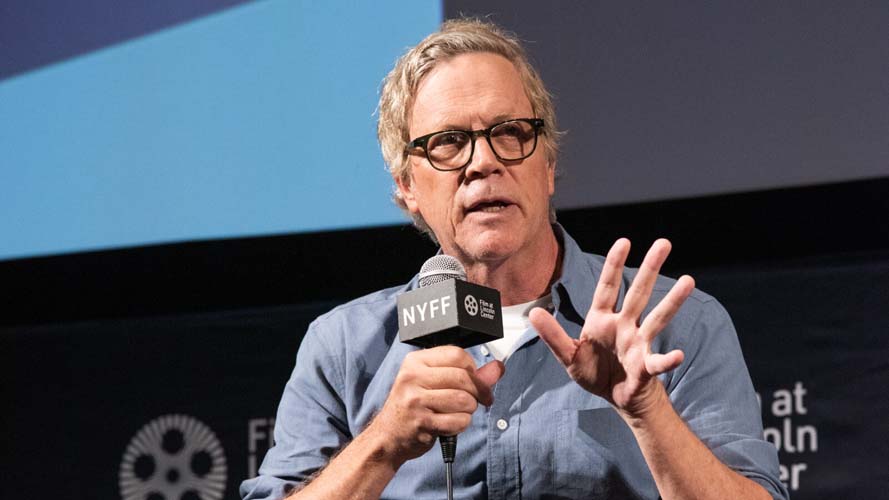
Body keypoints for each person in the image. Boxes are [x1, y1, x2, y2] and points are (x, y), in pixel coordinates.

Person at [241, 19, 787, 500]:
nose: (483, 162)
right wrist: (382, 443)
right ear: (407, 186)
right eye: (448, 141)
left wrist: (648, 411)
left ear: (547, 165)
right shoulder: (344, 348)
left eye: (508, 133)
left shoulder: (676, 326)